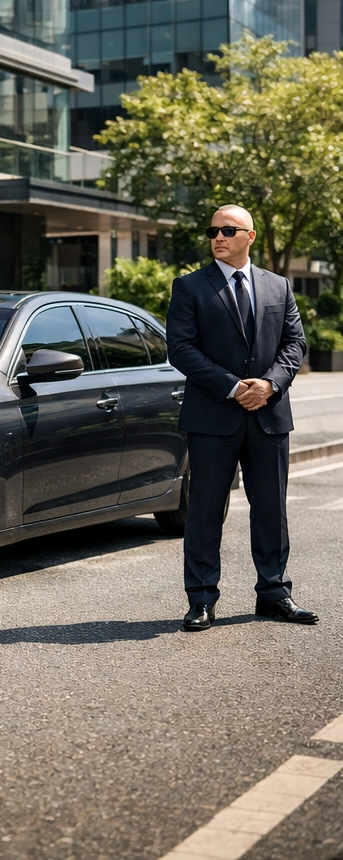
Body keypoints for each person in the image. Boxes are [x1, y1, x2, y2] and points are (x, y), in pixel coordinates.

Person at [165, 205, 316, 631]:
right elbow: (181, 349)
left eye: (228, 230)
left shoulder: (279, 286)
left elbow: (294, 343)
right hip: (213, 416)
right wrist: (235, 387)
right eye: (213, 230)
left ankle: (274, 594)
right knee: (206, 511)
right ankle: (201, 599)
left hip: (269, 415)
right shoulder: (190, 286)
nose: (218, 237)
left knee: (271, 510)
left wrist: (268, 385)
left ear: (250, 236)